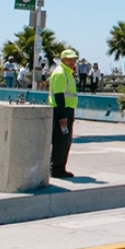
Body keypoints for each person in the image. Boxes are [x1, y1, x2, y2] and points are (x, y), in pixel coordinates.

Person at [47, 49, 79, 179]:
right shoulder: (60, 73)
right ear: (63, 60)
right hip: (61, 110)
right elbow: (59, 96)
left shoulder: (68, 73)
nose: (72, 62)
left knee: (65, 141)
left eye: (73, 59)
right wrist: (62, 116)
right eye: (69, 59)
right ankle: (57, 169)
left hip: (67, 110)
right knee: (61, 141)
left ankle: (59, 167)